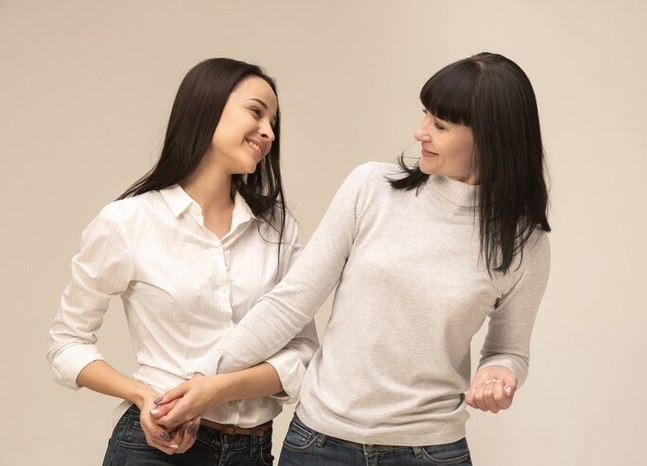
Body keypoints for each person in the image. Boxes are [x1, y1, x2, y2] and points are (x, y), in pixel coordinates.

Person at [154, 51, 551, 466]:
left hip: (430, 451)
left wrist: (501, 372)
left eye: (440, 125)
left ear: (489, 138)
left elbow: (509, 351)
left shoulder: (526, 244)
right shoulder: (372, 188)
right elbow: (293, 301)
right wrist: (203, 379)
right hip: (319, 444)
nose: (420, 133)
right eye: (425, 115)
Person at [47, 57, 318, 466]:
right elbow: (66, 343)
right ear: (206, 108)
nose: (268, 132)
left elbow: (302, 352)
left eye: (273, 123)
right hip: (157, 444)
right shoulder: (128, 222)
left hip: (253, 451)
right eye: (256, 112)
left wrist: (218, 390)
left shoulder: (277, 227)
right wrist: (142, 395)